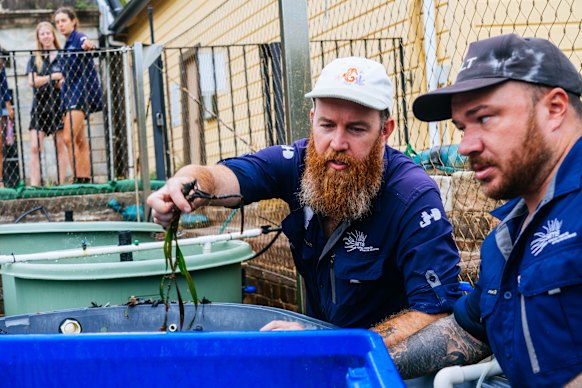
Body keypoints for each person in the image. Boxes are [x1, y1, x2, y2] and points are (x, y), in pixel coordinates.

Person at [147, 56, 461, 346]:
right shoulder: (296, 162)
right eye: (327, 125)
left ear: (385, 131)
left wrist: (325, 343)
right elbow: (226, 176)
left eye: (356, 129)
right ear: (312, 120)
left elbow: (434, 314)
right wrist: (186, 183)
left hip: (390, 366)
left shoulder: (413, 197)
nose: (337, 143)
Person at [389, 34, 582, 387]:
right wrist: (351, 357)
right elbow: (467, 330)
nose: (465, 145)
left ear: (555, 108)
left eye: (485, 119)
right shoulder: (505, 239)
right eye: (462, 127)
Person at [54, 6, 102, 184]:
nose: (60, 25)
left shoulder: (78, 37)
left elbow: (88, 45)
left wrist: (89, 46)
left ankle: (79, 179)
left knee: (68, 137)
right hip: (70, 94)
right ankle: (85, 177)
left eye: (63, 20)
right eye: (57, 22)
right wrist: (64, 80)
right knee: (79, 139)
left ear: (73, 21)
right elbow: (71, 71)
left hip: (81, 94)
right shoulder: (66, 44)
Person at [27, 21, 69, 186]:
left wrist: (53, 79)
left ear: (53, 35)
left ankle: (60, 183)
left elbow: (65, 80)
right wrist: (53, 77)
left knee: (60, 145)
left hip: (58, 105)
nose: (45, 36)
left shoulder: (62, 55)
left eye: (48, 33)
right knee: (35, 147)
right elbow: (32, 81)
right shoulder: (35, 58)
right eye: (42, 34)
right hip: (39, 106)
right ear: (38, 37)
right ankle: (35, 185)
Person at [0, 49, 14, 188]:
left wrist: (8, 106)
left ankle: (0, 181)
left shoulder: (1, 66)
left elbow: (4, 86)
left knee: (0, 145)